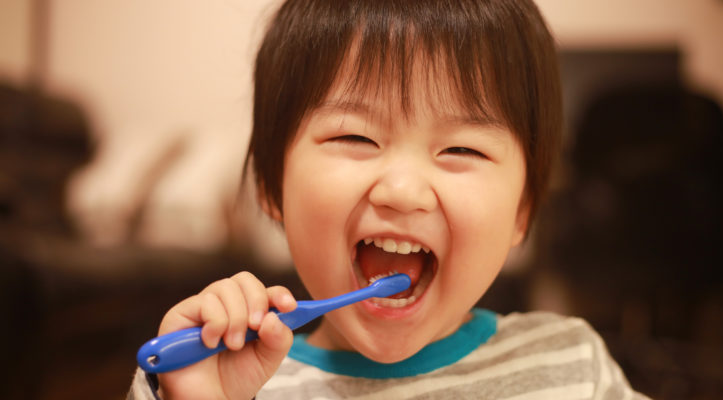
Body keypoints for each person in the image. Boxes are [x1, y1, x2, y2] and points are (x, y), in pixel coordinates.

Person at [129, 0, 649, 398]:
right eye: (355, 138)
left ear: (522, 211)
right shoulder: (240, 382)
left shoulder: (572, 367)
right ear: (270, 185)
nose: (402, 192)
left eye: (462, 147)